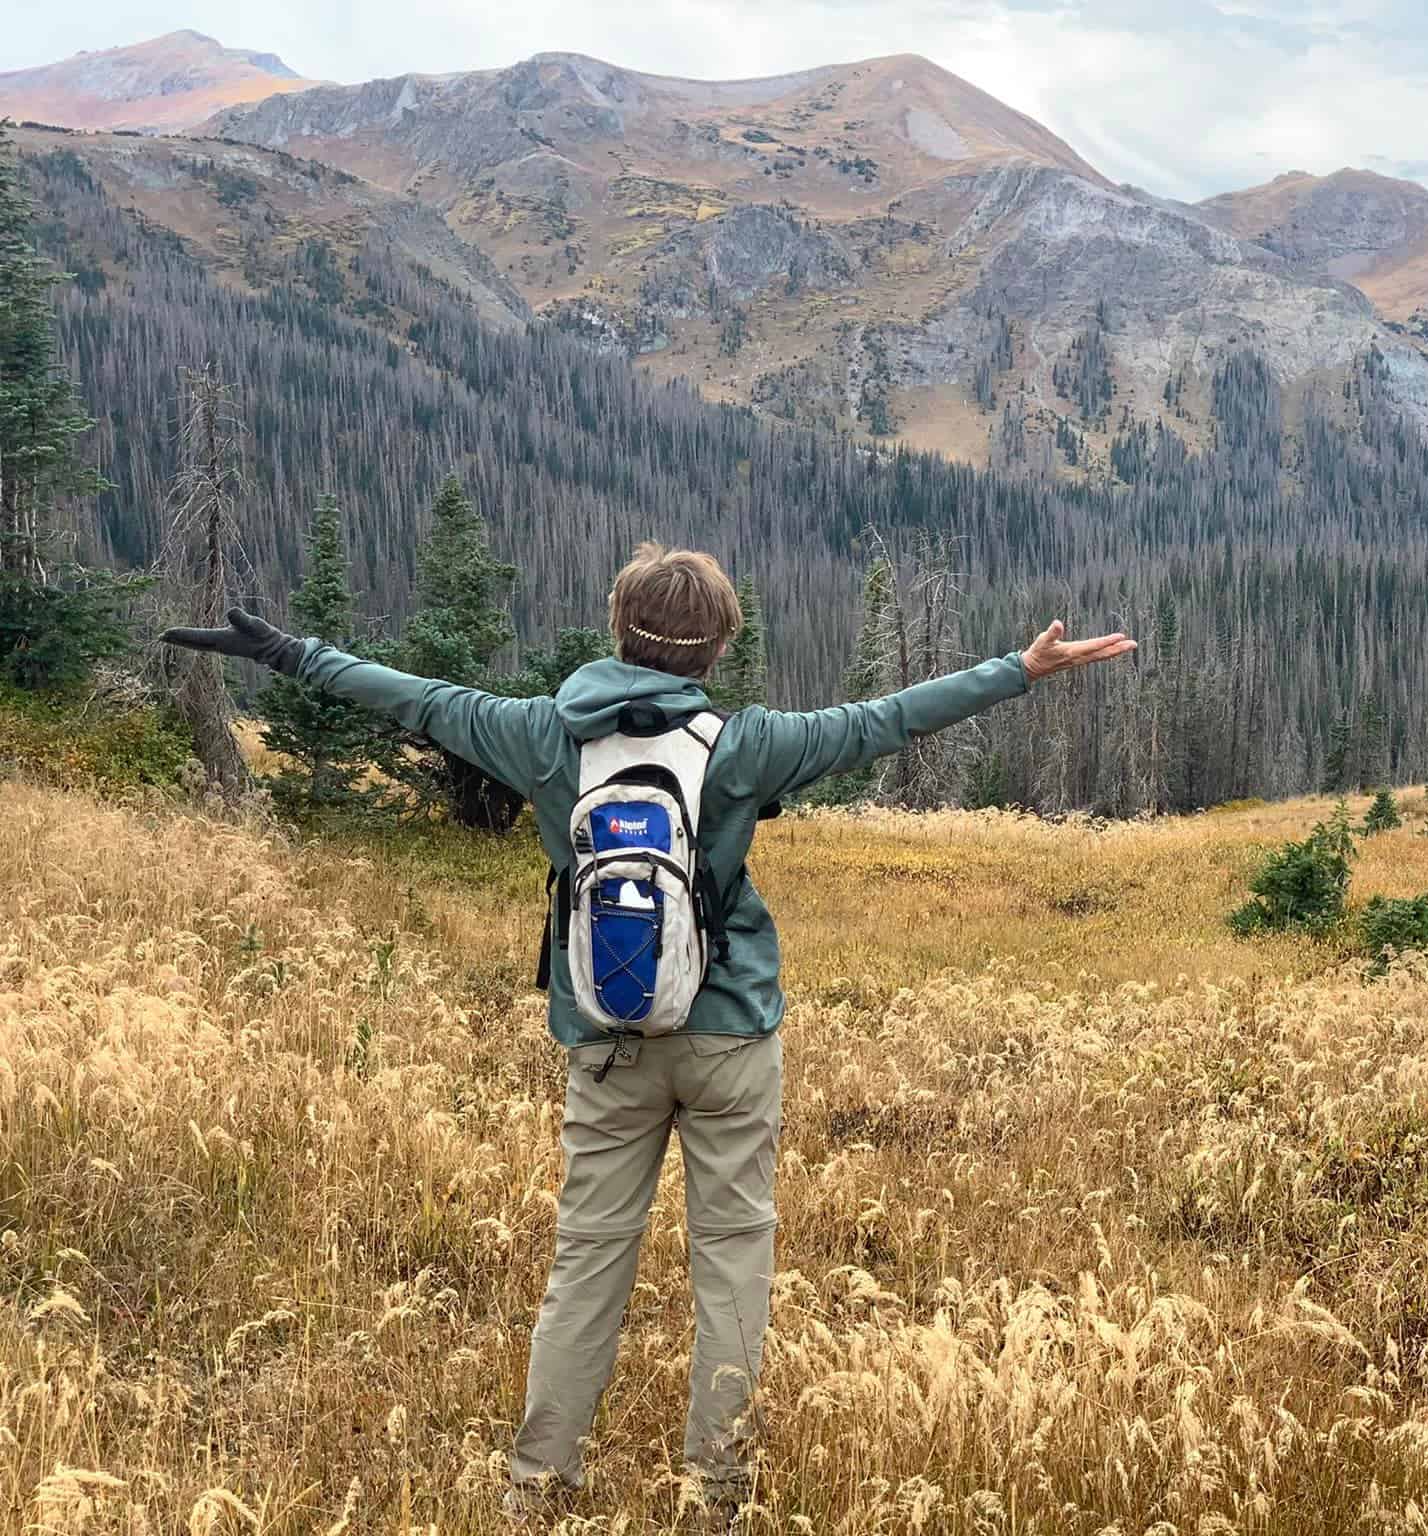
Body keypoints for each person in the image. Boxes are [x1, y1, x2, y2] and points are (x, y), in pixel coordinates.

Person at [162, 543, 1135, 1530]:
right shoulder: (745, 744)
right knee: (730, 1259)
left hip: (606, 1035)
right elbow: (882, 721)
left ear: (616, 625)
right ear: (718, 644)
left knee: (586, 1262)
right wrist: (1016, 670)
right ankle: (715, 1495)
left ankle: (535, 1491)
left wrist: (286, 651)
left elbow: (411, 697)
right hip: (730, 1038)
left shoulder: (540, 734)